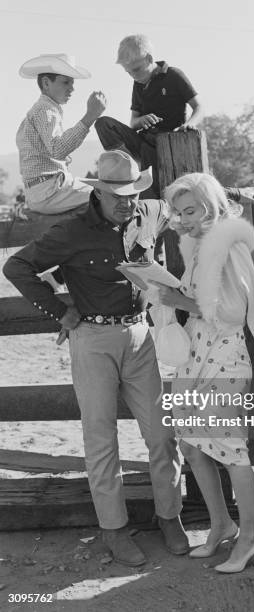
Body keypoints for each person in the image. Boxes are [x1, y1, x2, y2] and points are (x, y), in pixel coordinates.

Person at [3, 150, 189, 566]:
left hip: (141, 335)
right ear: (99, 192)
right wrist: (61, 311)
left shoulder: (151, 213)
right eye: (118, 195)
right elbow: (17, 267)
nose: (128, 201)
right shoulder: (70, 232)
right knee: (101, 438)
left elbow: (184, 211)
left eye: (133, 192)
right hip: (92, 339)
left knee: (161, 434)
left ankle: (170, 516)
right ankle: (114, 529)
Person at [154, 173, 254, 573]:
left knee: (230, 451)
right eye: (179, 211)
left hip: (224, 358)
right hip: (196, 356)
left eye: (191, 210)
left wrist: (180, 301)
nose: (184, 219)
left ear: (210, 206)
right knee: (190, 445)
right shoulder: (199, 245)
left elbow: (232, 313)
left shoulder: (225, 244)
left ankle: (250, 537)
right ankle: (221, 524)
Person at [94, 34, 202, 198]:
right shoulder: (137, 84)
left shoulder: (173, 75)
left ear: (149, 59)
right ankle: (129, 167)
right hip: (143, 140)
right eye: (128, 72)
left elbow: (199, 106)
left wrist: (190, 124)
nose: (133, 75)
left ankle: (145, 185)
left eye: (136, 69)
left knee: (152, 191)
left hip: (165, 143)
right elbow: (133, 123)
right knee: (103, 124)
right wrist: (141, 120)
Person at [17, 53, 107, 215]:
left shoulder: (41, 110)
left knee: (103, 187)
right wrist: (90, 116)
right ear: (46, 83)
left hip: (43, 190)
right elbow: (57, 150)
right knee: (110, 194)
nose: (72, 88)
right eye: (66, 82)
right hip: (49, 191)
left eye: (72, 83)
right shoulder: (46, 109)